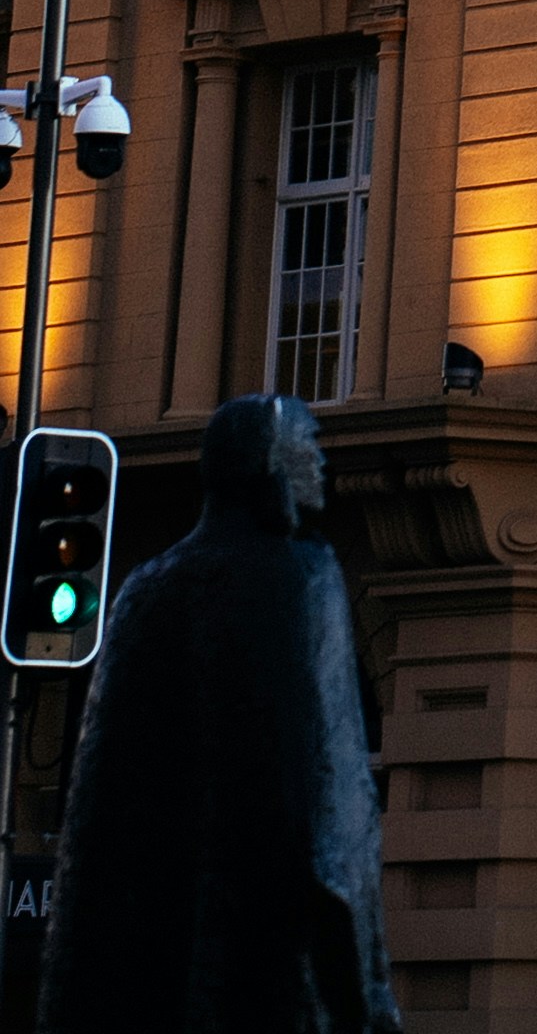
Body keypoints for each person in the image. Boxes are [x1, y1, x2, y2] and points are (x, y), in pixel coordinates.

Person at [38, 390, 399, 1034]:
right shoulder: (300, 576)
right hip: (274, 981)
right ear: (267, 466)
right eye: (308, 446)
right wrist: (368, 996)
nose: (321, 462)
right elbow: (327, 809)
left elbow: (99, 831)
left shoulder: (146, 587)